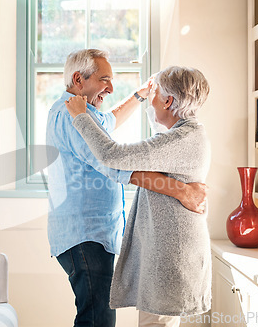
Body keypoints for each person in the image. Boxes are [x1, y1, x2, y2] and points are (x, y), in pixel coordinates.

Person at [46, 50, 208, 327]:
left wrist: (138, 96)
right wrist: (179, 190)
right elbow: (113, 163)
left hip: (94, 233)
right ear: (78, 79)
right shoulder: (73, 117)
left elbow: (108, 122)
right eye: (105, 79)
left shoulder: (84, 113)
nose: (111, 88)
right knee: (98, 319)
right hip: (84, 235)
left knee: (98, 316)